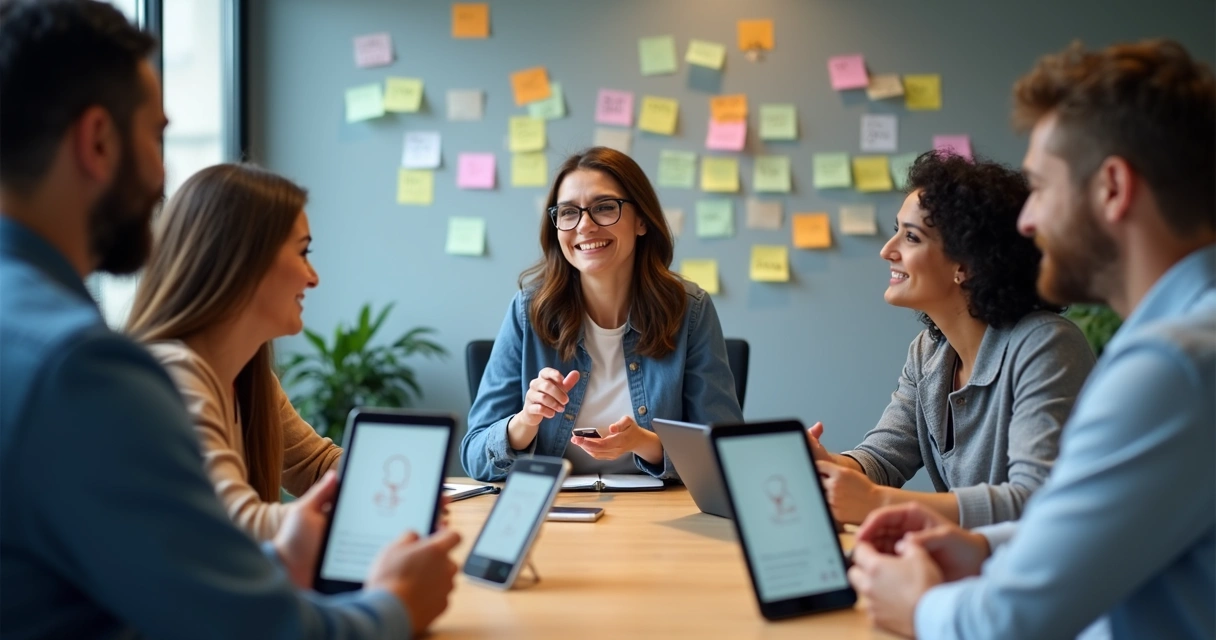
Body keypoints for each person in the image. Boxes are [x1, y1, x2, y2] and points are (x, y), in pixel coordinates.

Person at [0, 1, 458, 637]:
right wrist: (396, 604)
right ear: (98, 140)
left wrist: (285, 553)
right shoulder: (81, 370)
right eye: (157, 136)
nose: (163, 175)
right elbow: (247, 628)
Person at [847, 39, 1215, 640]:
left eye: (1042, 187)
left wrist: (916, 608)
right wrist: (981, 549)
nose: (1026, 221)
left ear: (1113, 189)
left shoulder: (1169, 366)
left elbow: (1008, 622)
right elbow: (1100, 526)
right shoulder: (1185, 344)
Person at [808, 152, 1095, 527]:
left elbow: (1034, 500)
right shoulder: (929, 352)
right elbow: (882, 459)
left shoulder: (1046, 345)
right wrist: (825, 464)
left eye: (911, 236)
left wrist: (877, 503)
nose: (887, 250)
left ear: (966, 265)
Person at [461, 147, 743, 482]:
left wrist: (645, 443)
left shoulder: (689, 310)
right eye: (568, 213)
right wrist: (525, 420)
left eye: (605, 208)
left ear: (641, 220)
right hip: (554, 511)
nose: (585, 226)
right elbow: (475, 454)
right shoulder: (528, 310)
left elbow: (725, 453)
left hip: (658, 516)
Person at [126, 163, 341, 541]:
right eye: (303, 253)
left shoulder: (246, 375)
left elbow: (316, 465)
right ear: (243, 261)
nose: (313, 277)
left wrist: (402, 485)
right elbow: (236, 523)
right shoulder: (174, 376)